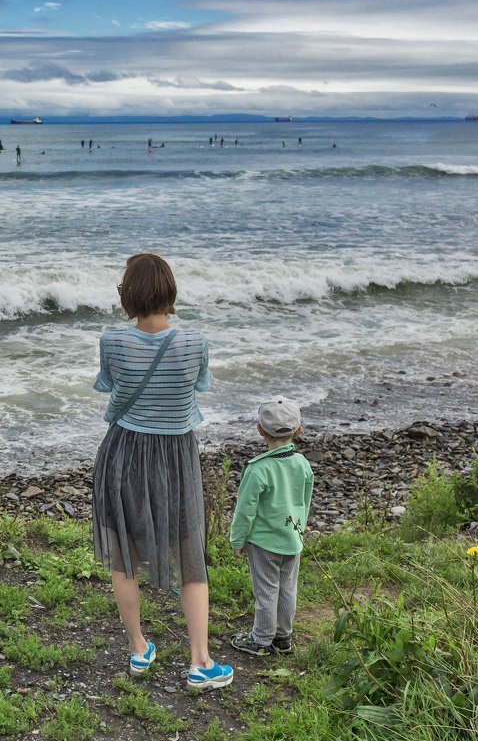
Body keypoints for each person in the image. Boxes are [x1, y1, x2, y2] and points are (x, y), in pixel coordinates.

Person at [92, 253, 233, 691]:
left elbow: (112, 392)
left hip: (122, 453)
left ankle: (138, 648)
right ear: (170, 292)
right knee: (192, 558)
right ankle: (201, 662)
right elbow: (197, 388)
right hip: (176, 456)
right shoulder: (195, 341)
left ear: (127, 295)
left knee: (124, 558)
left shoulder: (112, 341)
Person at [229, 397, 314, 656]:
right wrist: (299, 530)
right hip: (292, 539)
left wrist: (237, 540)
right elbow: (304, 502)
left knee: (266, 591)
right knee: (287, 588)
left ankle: (261, 640)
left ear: (259, 430)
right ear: (298, 431)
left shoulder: (258, 470)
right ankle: (283, 638)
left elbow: (245, 511)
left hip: (264, 542)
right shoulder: (302, 464)